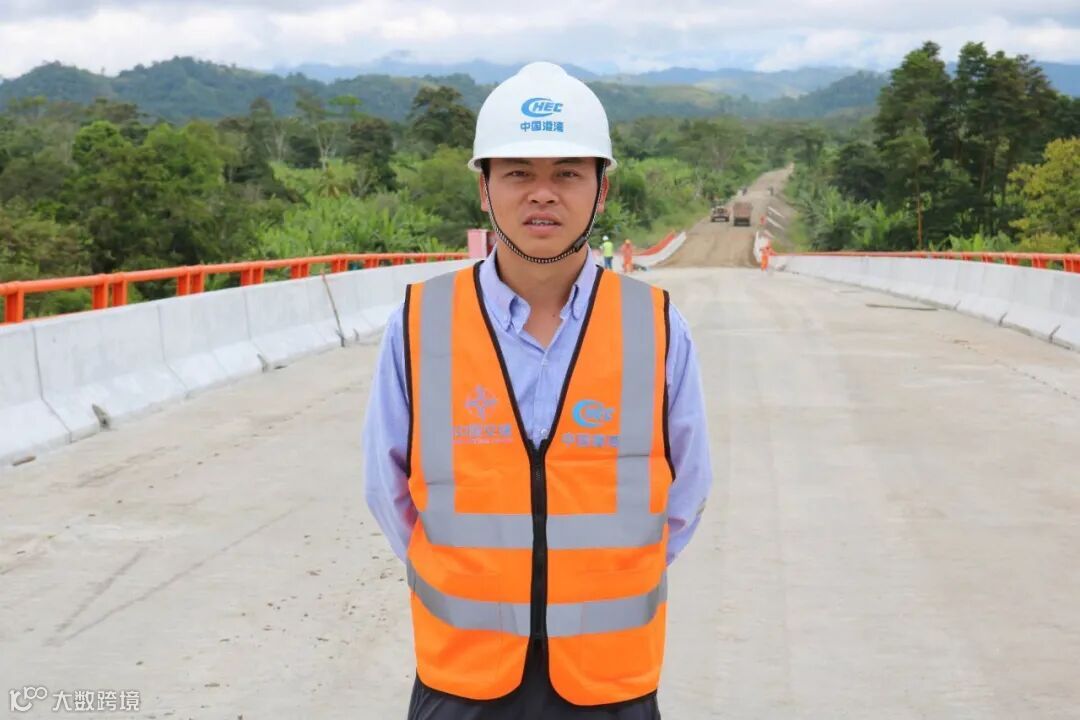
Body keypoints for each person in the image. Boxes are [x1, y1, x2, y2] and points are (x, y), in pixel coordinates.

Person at [362, 61, 713, 720]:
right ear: (484, 189)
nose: (543, 195)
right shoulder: (420, 322)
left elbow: (687, 494)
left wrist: (607, 583)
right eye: (519, 173)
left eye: (568, 174)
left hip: (609, 684)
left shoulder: (656, 325)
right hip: (463, 680)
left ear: (601, 190)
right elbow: (388, 491)